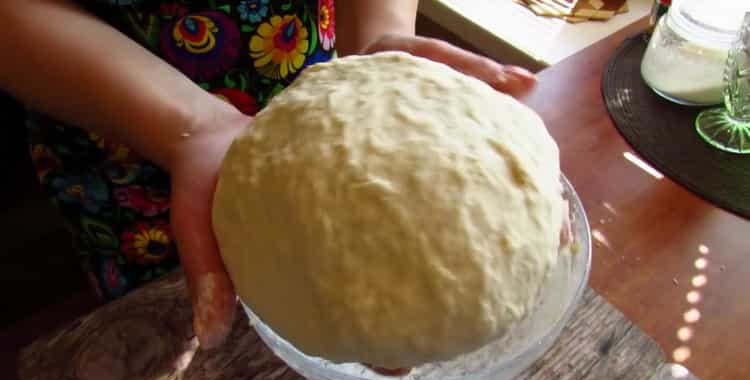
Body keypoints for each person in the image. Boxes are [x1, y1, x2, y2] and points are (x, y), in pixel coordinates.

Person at [0, 0, 536, 349]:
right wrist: (191, 126)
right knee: (157, 334)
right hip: (120, 142)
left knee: (330, 289)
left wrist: (377, 41)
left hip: (322, 97)